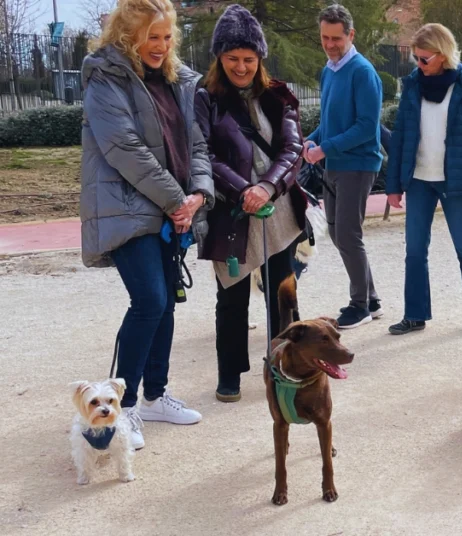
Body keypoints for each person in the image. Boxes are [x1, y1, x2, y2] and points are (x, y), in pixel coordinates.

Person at [79, 0, 213, 449]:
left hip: (172, 211)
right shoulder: (105, 78)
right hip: (127, 208)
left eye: (166, 36)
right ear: (127, 36)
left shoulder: (179, 81)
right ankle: (125, 405)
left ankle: (155, 395)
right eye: (150, 37)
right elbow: (123, 148)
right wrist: (180, 201)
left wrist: (199, 196)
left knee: (167, 304)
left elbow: (197, 145)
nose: (160, 46)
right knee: (150, 301)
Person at [194, 4, 307, 403]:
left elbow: (294, 147)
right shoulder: (206, 98)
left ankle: (285, 363)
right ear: (219, 58)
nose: (240, 67)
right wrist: (245, 189)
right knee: (232, 294)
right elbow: (203, 153)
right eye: (231, 58)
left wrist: (269, 187)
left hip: (277, 207)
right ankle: (230, 375)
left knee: (283, 290)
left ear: (259, 58)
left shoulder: (278, 95)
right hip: (231, 208)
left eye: (248, 58)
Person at [385, 23, 462, 337]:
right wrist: (393, 186)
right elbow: (401, 137)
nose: (419, 65)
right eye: (416, 59)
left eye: (424, 59)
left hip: (456, 183)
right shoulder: (412, 86)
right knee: (414, 250)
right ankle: (414, 315)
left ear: (443, 55)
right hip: (419, 180)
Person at [303, 3, 384, 329]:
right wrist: (311, 140)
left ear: (350, 35)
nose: (330, 44)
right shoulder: (329, 70)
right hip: (334, 163)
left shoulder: (363, 72)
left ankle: (359, 305)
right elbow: (329, 121)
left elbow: (367, 127)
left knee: (348, 235)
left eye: (336, 38)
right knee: (338, 234)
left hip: (358, 164)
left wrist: (325, 148)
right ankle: (372, 298)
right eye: (325, 37)